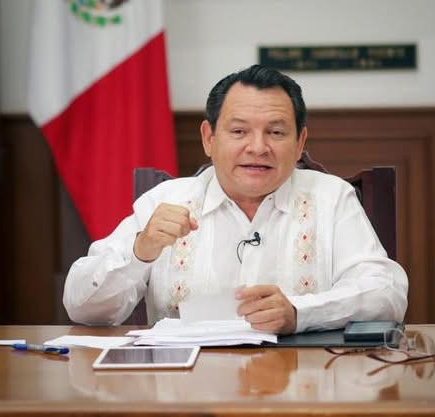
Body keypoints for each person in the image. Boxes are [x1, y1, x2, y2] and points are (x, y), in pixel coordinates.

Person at [63, 64, 408, 334]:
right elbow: (81, 307)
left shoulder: (331, 198)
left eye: (276, 132)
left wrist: (299, 313)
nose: (258, 147)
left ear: (300, 142)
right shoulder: (165, 200)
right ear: (209, 138)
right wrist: (141, 251)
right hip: (184, 388)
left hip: (302, 384)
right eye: (239, 131)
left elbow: (385, 293)